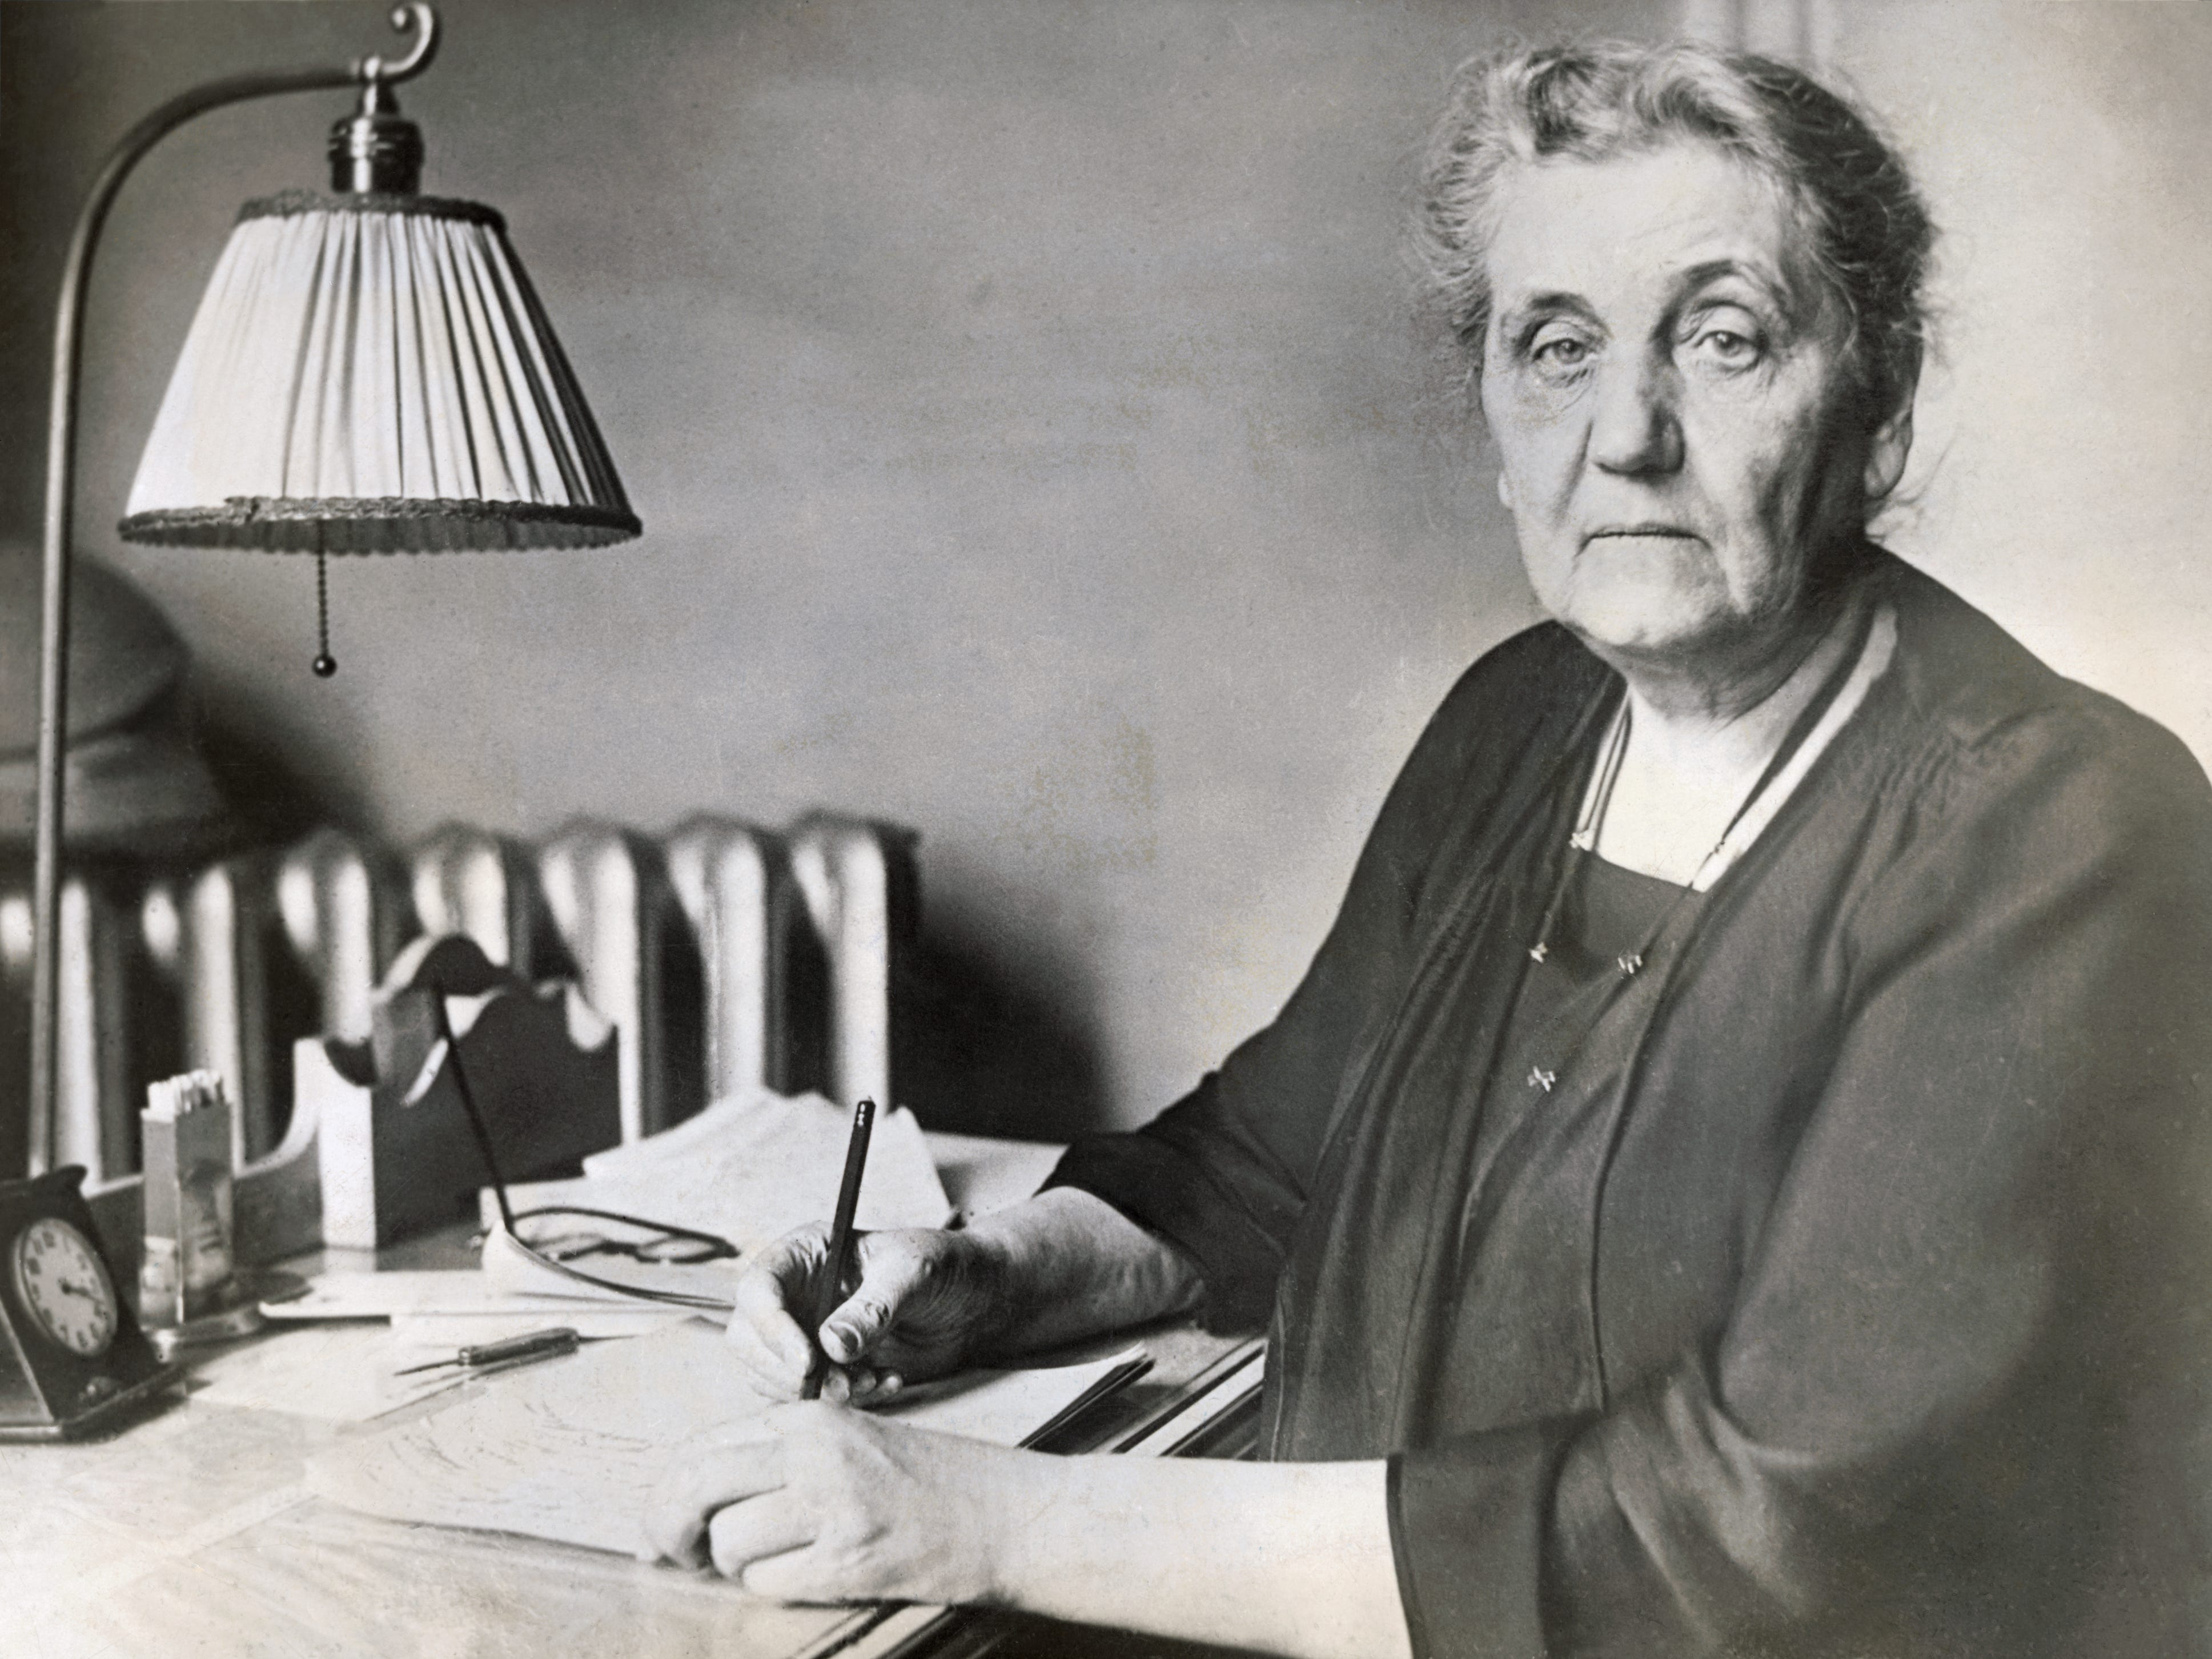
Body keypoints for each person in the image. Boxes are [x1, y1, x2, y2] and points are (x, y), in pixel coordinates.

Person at [645, 41, 2212, 1658]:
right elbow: (1264, 1162)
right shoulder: (1522, 718)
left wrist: (978, 1517)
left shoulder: (2061, 837)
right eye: (1556, 346)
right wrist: (994, 1270)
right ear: (1491, 417)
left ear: (1873, 412)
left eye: (1722, 339)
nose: (1625, 435)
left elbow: (1748, 1543)